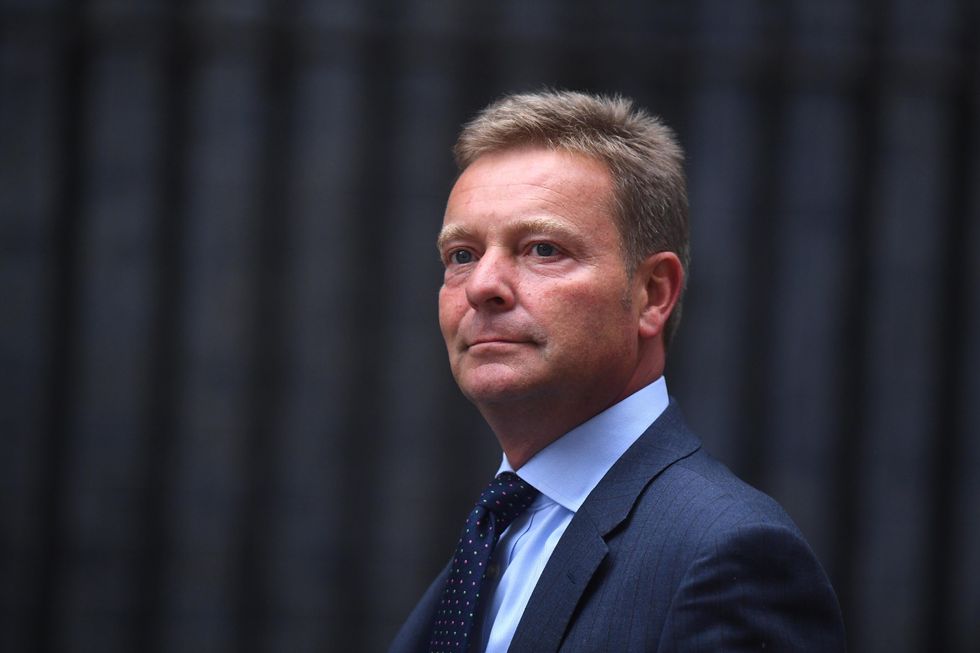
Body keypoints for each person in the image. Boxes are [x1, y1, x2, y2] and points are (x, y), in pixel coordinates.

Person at [389, 90, 845, 653]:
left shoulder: (728, 557)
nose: (483, 285)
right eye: (462, 254)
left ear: (653, 294)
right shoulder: (495, 536)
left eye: (542, 249)